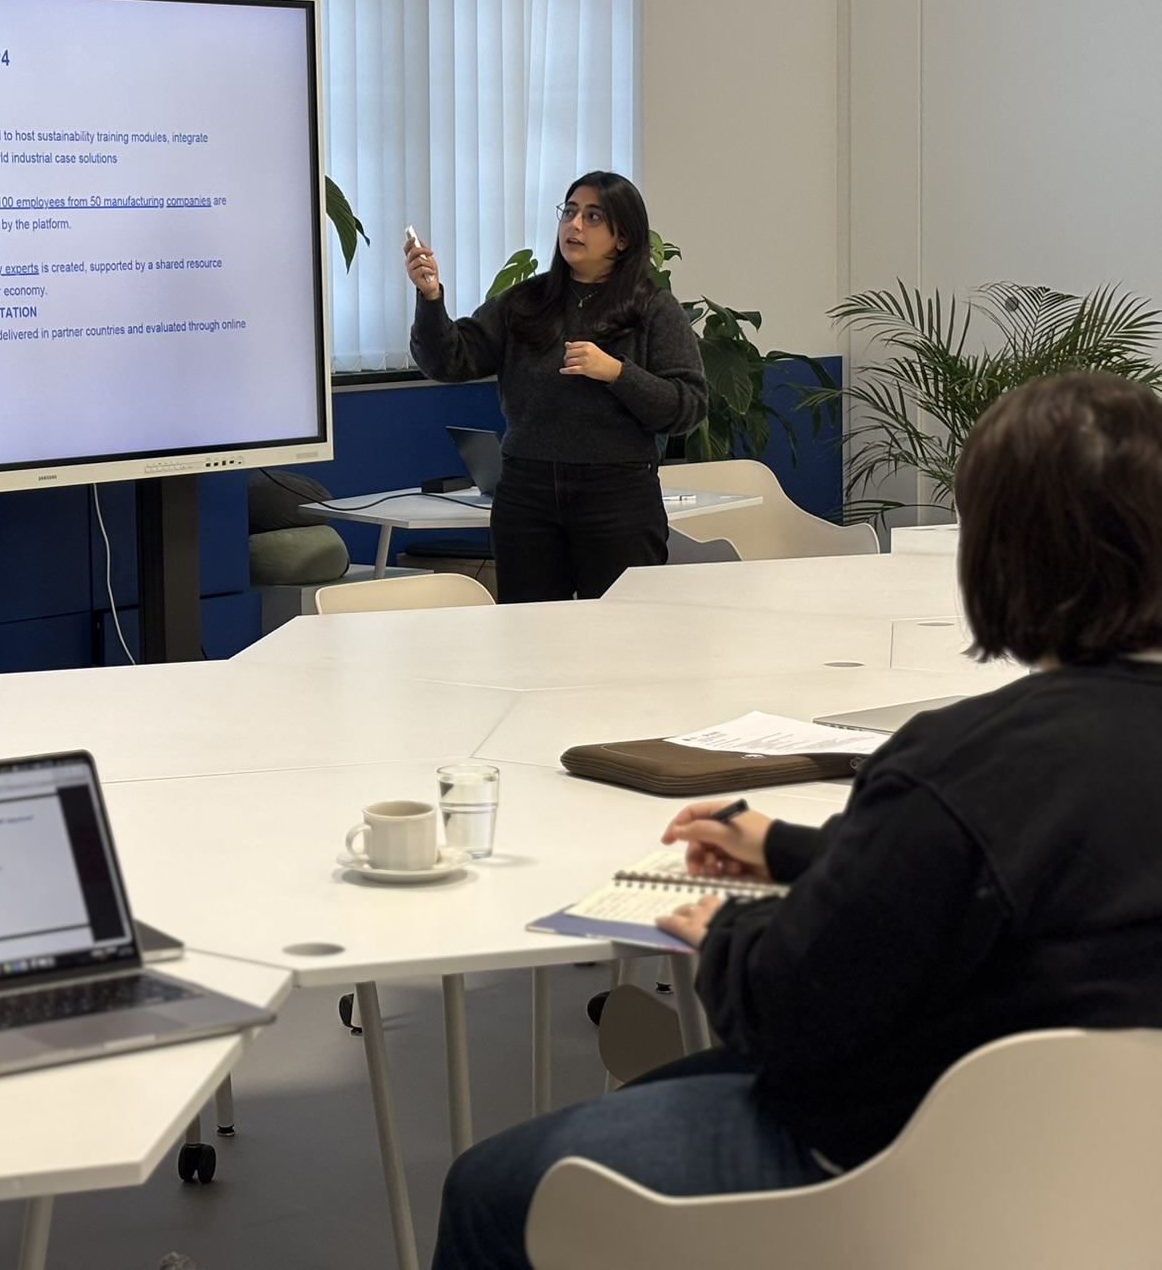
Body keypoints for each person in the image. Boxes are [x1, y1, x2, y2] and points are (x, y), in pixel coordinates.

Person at [431, 369, 1162, 1270]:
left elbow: (793, 1009)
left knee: (491, 1189)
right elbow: (1018, 874)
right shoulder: (984, 789)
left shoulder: (961, 765)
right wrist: (786, 847)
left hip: (910, 1170)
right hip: (1129, 1185)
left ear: (999, 555)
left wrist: (722, 930)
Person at [405, 173, 707, 602]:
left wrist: (617, 373)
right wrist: (431, 299)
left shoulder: (653, 309)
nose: (575, 225)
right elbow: (450, 361)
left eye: (593, 217)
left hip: (616, 493)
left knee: (622, 628)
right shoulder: (524, 302)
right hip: (527, 493)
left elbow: (688, 405)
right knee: (529, 630)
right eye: (570, 212)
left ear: (623, 238)